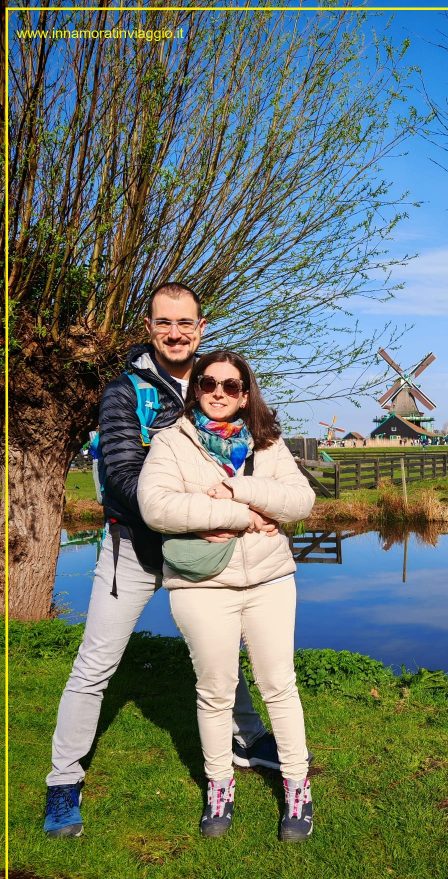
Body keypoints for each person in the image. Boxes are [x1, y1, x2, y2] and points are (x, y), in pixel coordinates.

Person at [43, 283, 276, 839]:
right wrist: (203, 514)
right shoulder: (125, 392)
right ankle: (62, 781)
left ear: (200, 327)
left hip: (203, 552)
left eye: (186, 323)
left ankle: (247, 736)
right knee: (95, 665)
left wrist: (261, 503)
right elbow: (124, 480)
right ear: (149, 327)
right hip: (136, 550)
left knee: (223, 651)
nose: (176, 332)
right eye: (164, 322)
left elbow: (251, 458)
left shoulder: (213, 385)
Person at [137, 350, 316, 841]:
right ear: (196, 389)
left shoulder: (268, 443)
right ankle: (220, 785)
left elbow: (301, 501)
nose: (219, 392)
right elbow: (157, 507)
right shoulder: (171, 443)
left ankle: (297, 787)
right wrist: (247, 518)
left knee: (279, 683)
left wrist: (239, 492)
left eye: (232, 386)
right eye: (209, 383)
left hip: (269, 581)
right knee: (214, 690)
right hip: (202, 585)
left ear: (245, 393)